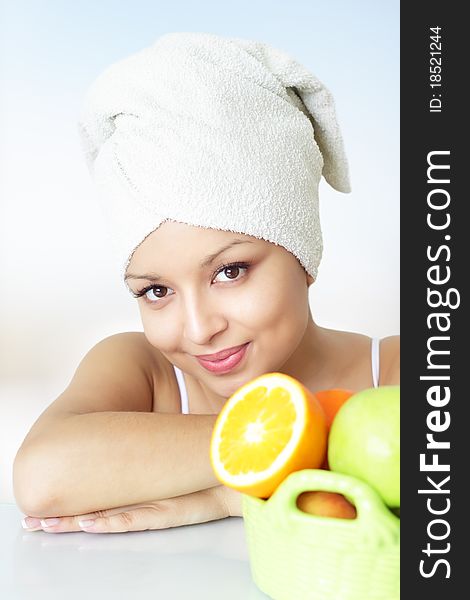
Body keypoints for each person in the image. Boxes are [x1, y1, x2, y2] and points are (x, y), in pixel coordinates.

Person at [14, 32, 399, 534]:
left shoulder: (393, 368)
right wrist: (263, 461)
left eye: (229, 272)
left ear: (304, 254)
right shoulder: (142, 370)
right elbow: (42, 478)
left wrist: (223, 496)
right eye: (156, 291)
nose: (198, 329)